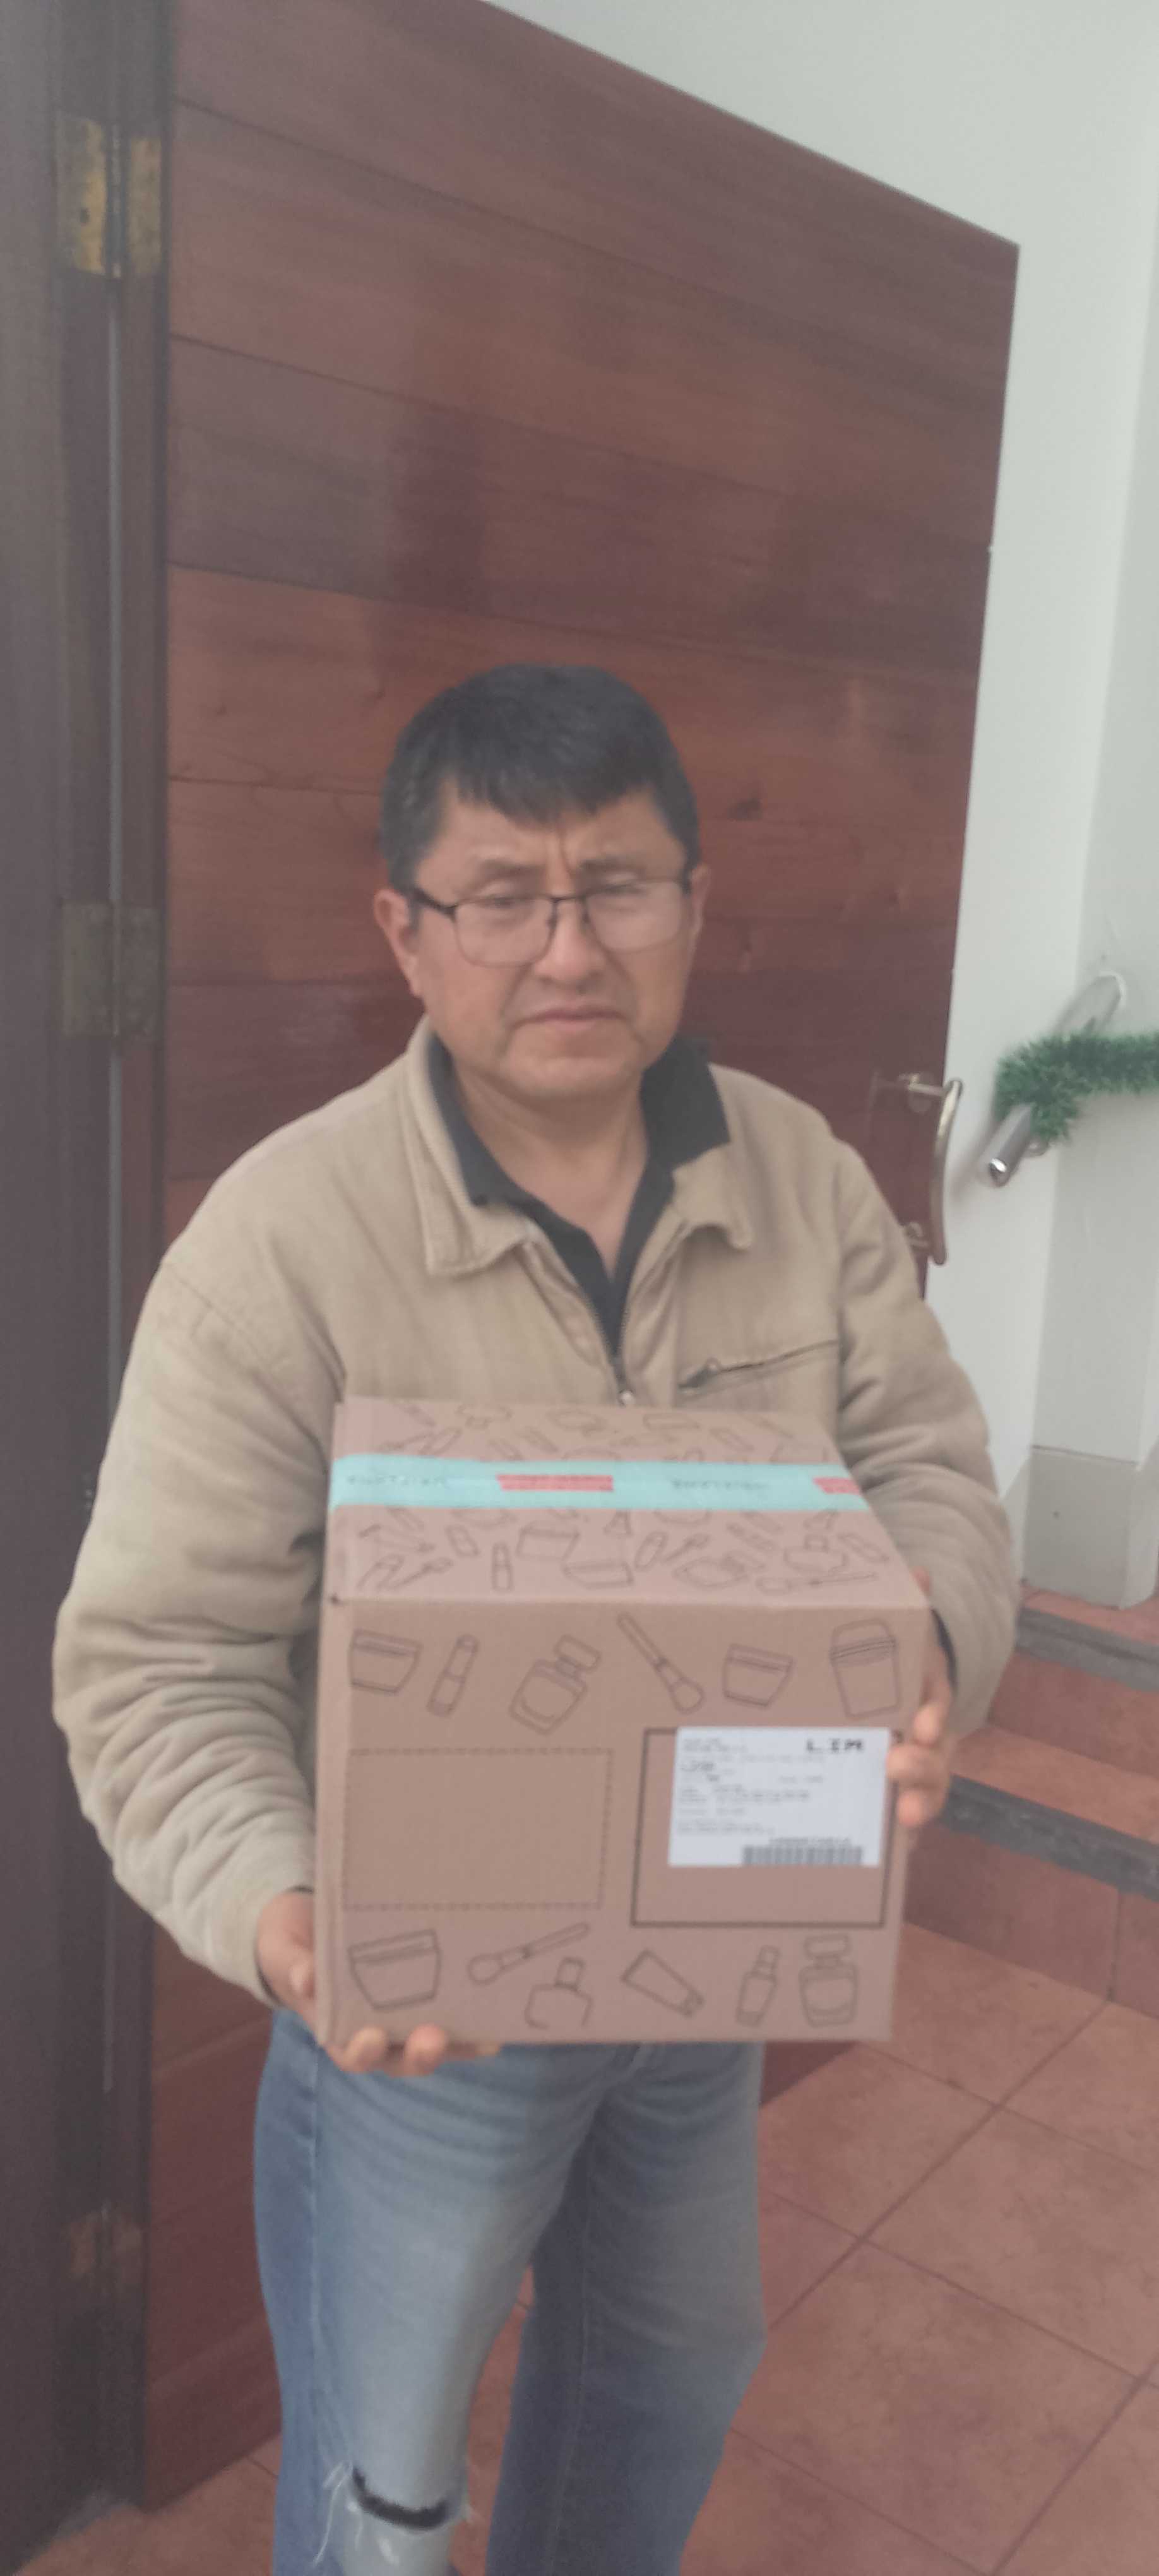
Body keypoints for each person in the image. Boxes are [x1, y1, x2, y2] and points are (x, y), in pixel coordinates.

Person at [55, 664, 1016, 2576]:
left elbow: (926, 1466)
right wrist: (285, 1913)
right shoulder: (280, 1243)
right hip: (426, 2021)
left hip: (708, 1978)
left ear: (692, 908)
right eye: (503, 895)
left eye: (618, 885)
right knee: (384, 2487)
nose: (568, 947)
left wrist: (923, 1634)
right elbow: (154, 1663)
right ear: (404, 932)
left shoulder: (801, 1179)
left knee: (664, 2384)